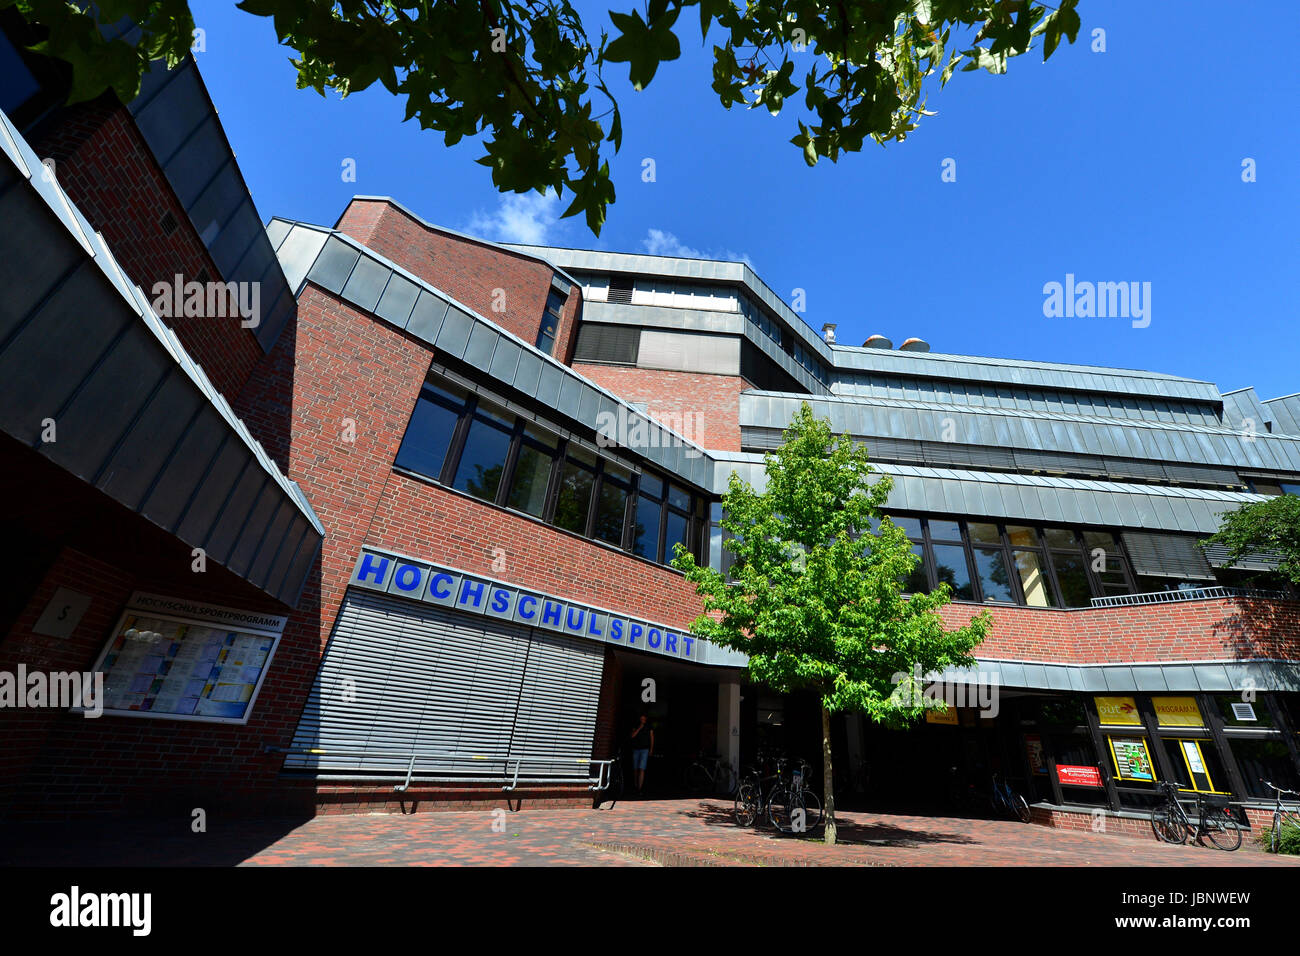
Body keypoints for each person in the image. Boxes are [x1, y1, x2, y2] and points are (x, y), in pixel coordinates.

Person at [628, 713, 654, 794]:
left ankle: (640, 788)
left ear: (646, 719)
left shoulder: (649, 726)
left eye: (644, 718)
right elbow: (632, 736)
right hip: (636, 749)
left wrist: (651, 749)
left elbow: (652, 738)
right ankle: (635, 785)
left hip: (645, 749)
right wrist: (639, 728)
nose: (643, 720)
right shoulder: (636, 725)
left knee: (642, 769)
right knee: (635, 769)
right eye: (641, 718)